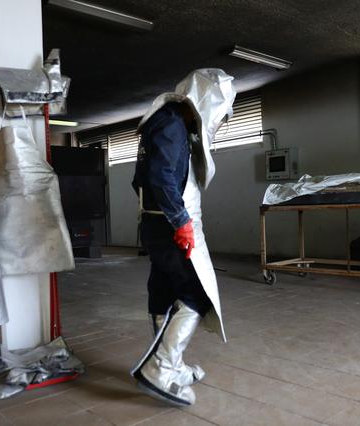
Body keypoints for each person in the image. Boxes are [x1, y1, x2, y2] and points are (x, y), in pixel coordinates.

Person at [130, 69, 236, 407]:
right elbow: (161, 177)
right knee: (196, 292)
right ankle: (162, 367)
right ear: (205, 102)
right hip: (168, 225)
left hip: (157, 222)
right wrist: (180, 222)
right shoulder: (172, 124)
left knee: (163, 291)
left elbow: (140, 180)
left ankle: (170, 364)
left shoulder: (164, 121)